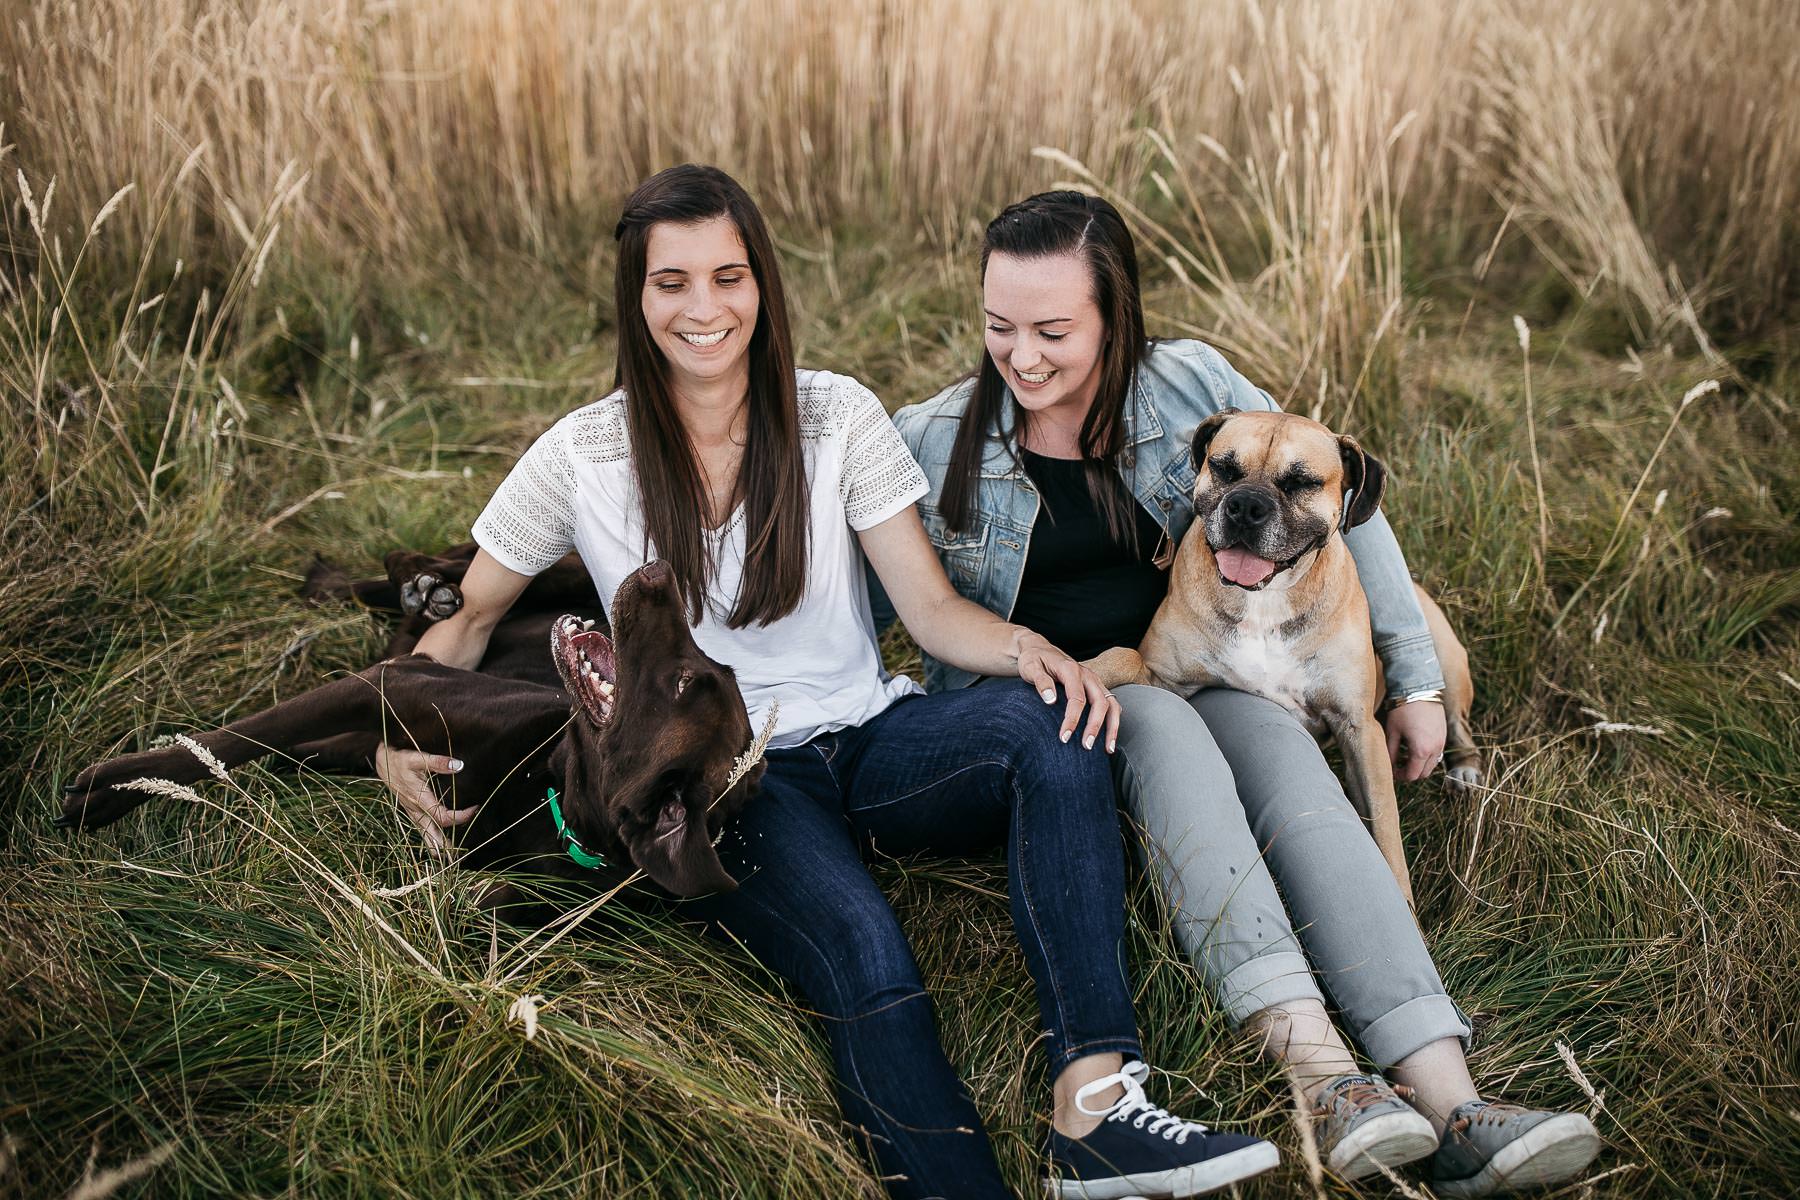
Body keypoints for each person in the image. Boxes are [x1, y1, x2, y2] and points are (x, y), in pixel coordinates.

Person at [376, 165, 1281, 1200]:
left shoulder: (836, 415)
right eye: (672, 282)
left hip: (873, 737)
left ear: (763, 282)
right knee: (863, 948)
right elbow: (466, 622)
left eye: (729, 276)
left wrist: (1032, 652)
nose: (705, 308)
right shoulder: (581, 455)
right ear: (636, 296)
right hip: (732, 779)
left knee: (1056, 726)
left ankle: (1096, 1111)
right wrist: (392, 736)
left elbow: (930, 611)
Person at [884, 191, 1603, 1198]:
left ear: (1115, 317)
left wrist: (1415, 677)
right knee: (1169, 727)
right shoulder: (930, 437)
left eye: (1054, 331)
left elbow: (1355, 528)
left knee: (1287, 763)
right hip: (1069, 695)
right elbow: (849, 588)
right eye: (1000, 326)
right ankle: (1325, 1080)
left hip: (1207, 652)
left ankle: (1453, 1098)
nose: (1023, 357)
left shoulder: (1192, 385)